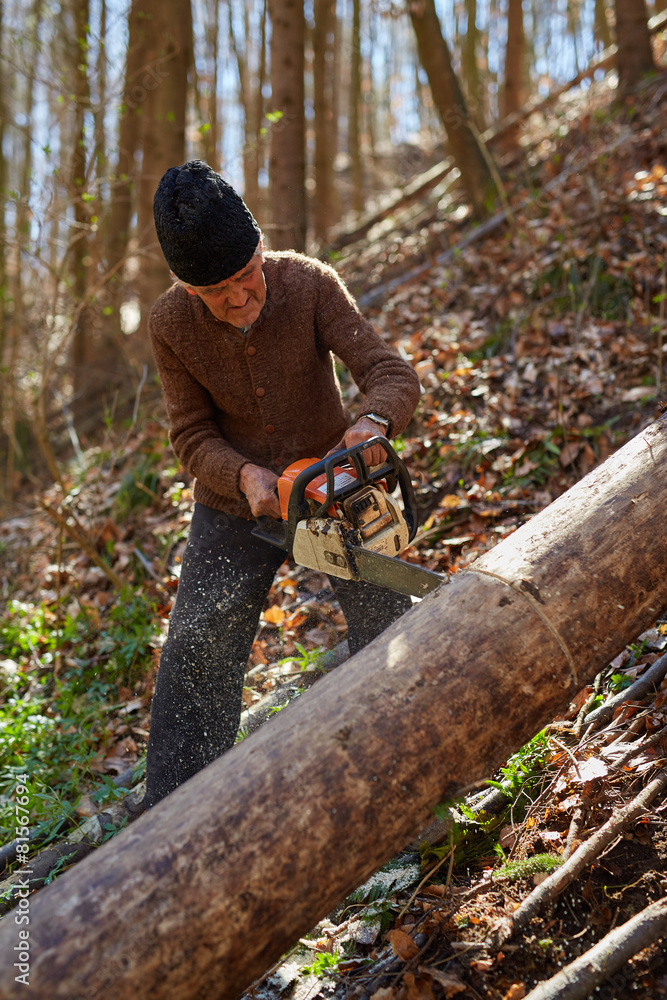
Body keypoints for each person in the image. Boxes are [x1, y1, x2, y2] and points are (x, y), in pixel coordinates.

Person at [144, 159, 421, 808]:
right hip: (233, 504)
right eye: (217, 292)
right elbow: (189, 438)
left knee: (389, 624)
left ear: (261, 250)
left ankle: (411, 771)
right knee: (195, 651)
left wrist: (372, 424)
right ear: (187, 289)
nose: (238, 298)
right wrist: (242, 475)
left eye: (245, 277)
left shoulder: (309, 285)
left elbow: (389, 373)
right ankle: (174, 817)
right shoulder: (169, 325)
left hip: (331, 483)